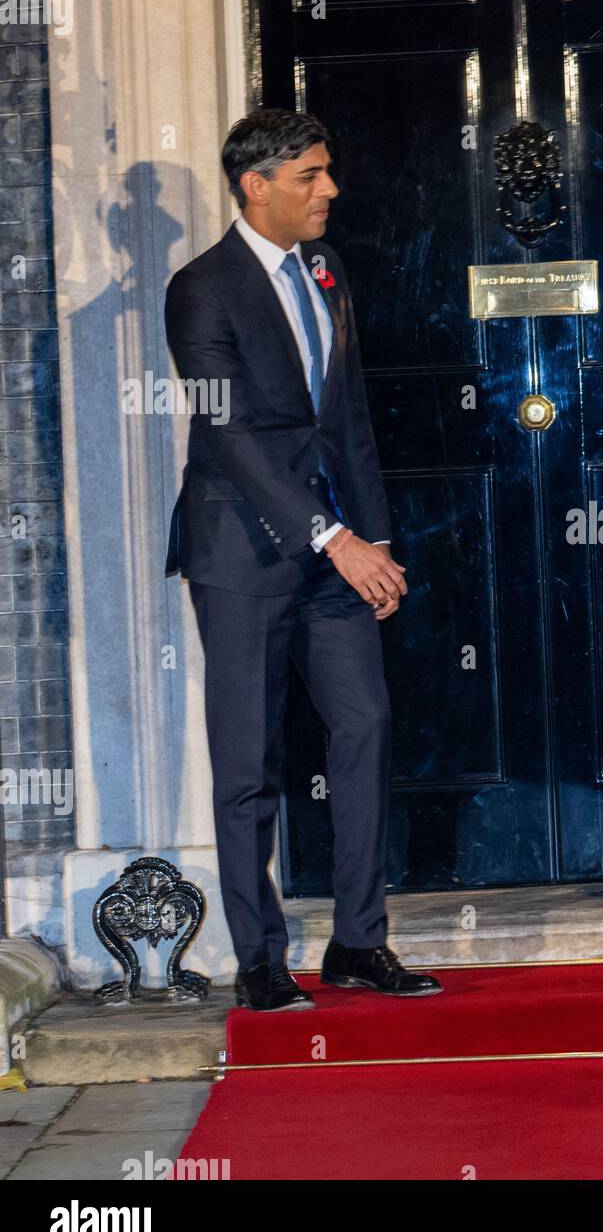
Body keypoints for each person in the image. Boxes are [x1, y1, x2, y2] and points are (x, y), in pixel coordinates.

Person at [164, 108, 442, 1010]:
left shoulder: (327, 269)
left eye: (328, 172)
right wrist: (335, 537)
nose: (330, 190)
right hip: (242, 549)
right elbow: (228, 431)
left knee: (364, 728)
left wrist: (378, 540)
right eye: (311, 176)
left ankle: (360, 943)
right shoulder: (199, 288)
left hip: (340, 553)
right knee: (249, 758)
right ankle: (258, 958)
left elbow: (347, 416)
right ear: (257, 185)